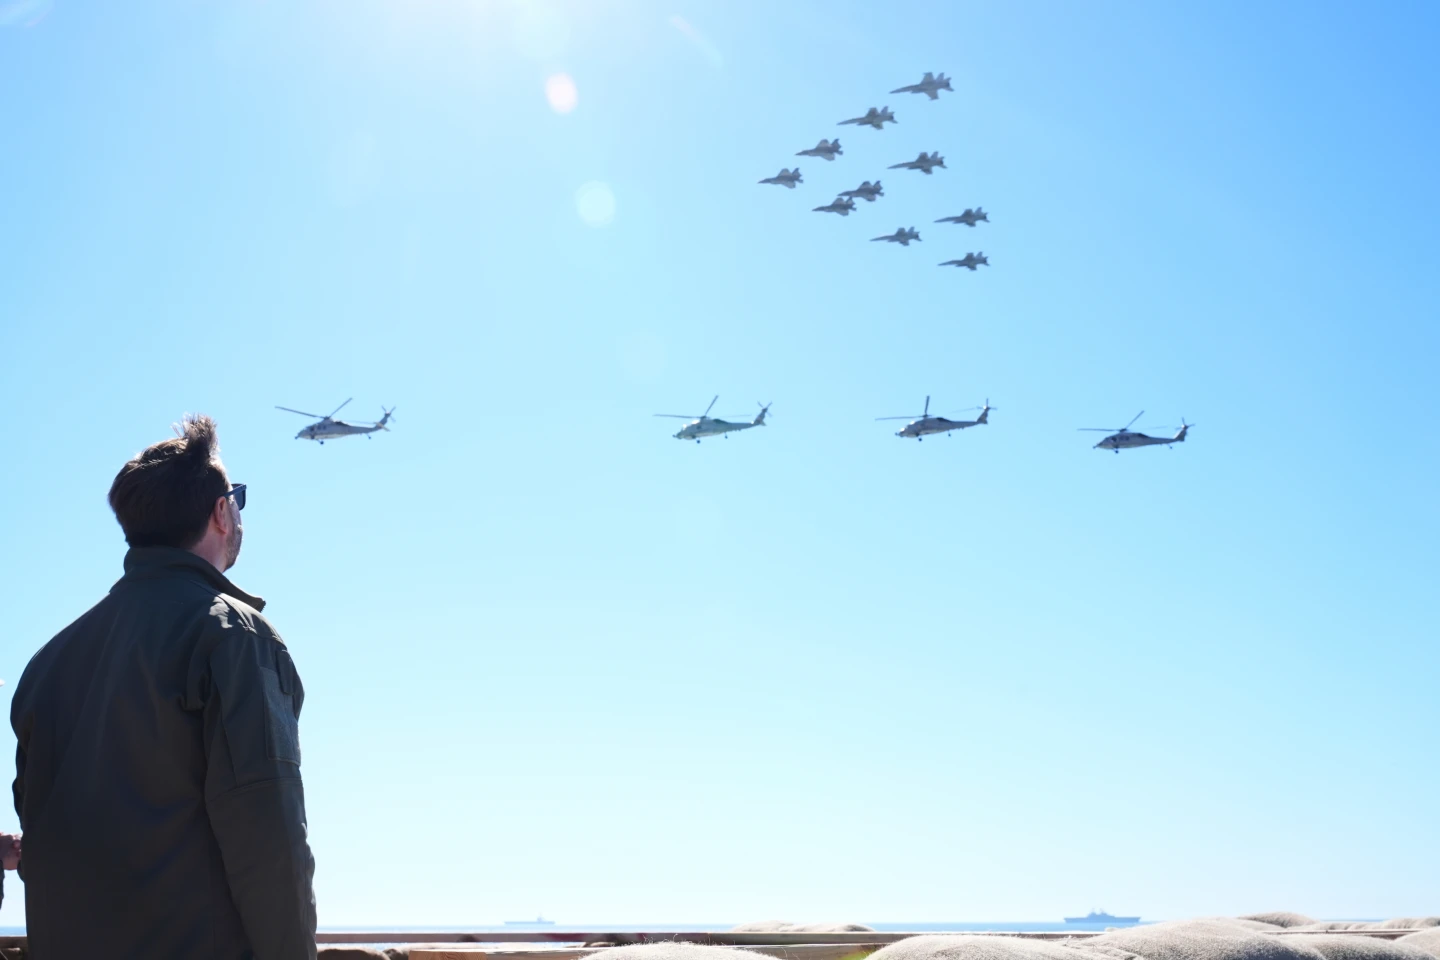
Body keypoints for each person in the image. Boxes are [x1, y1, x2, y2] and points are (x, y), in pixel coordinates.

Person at [10, 415, 316, 959]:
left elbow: (41, 846)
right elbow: (268, 840)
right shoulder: (234, 636)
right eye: (237, 500)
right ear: (221, 511)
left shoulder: (46, 664)